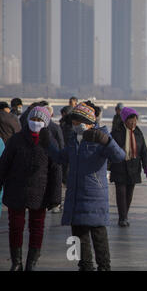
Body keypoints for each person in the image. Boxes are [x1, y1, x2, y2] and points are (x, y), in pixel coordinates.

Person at [39, 102, 125, 271]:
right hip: (75, 198)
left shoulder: (101, 136)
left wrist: (107, 141)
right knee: (79, 241)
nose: (75, 125)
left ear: (88, 121)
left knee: (99, 239)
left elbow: (119, 156)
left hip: (95, 198)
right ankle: (85, 267)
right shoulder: (72, 139)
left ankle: (104, 267)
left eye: (78, 122)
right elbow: (60, 158)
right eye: (74, 122)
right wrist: (48, 144)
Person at [0, 106, 61, 271]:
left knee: (37, 227)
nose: (36, 123)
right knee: (16, 226)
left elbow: (56, 170)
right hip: (16, 189)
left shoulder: (50, 143)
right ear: (28, 120)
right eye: (34, 119)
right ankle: (16, 262)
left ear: (46, 123)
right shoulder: (16, 139)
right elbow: (4, 164)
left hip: (39, 191)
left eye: (40, 120)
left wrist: (55, 197)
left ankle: (31, 263)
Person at [110, 107, 147, 227]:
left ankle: (125, 215)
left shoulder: (138, 133)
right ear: (124, 120)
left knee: (129, 193)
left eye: (135, 120)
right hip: (119, 166)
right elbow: (109, 149)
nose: (133, 122)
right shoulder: (116, 132)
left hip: (134, 166)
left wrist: (146, 166)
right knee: (121, 192)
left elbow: (143, 150)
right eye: (131, 120)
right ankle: (122, 217)